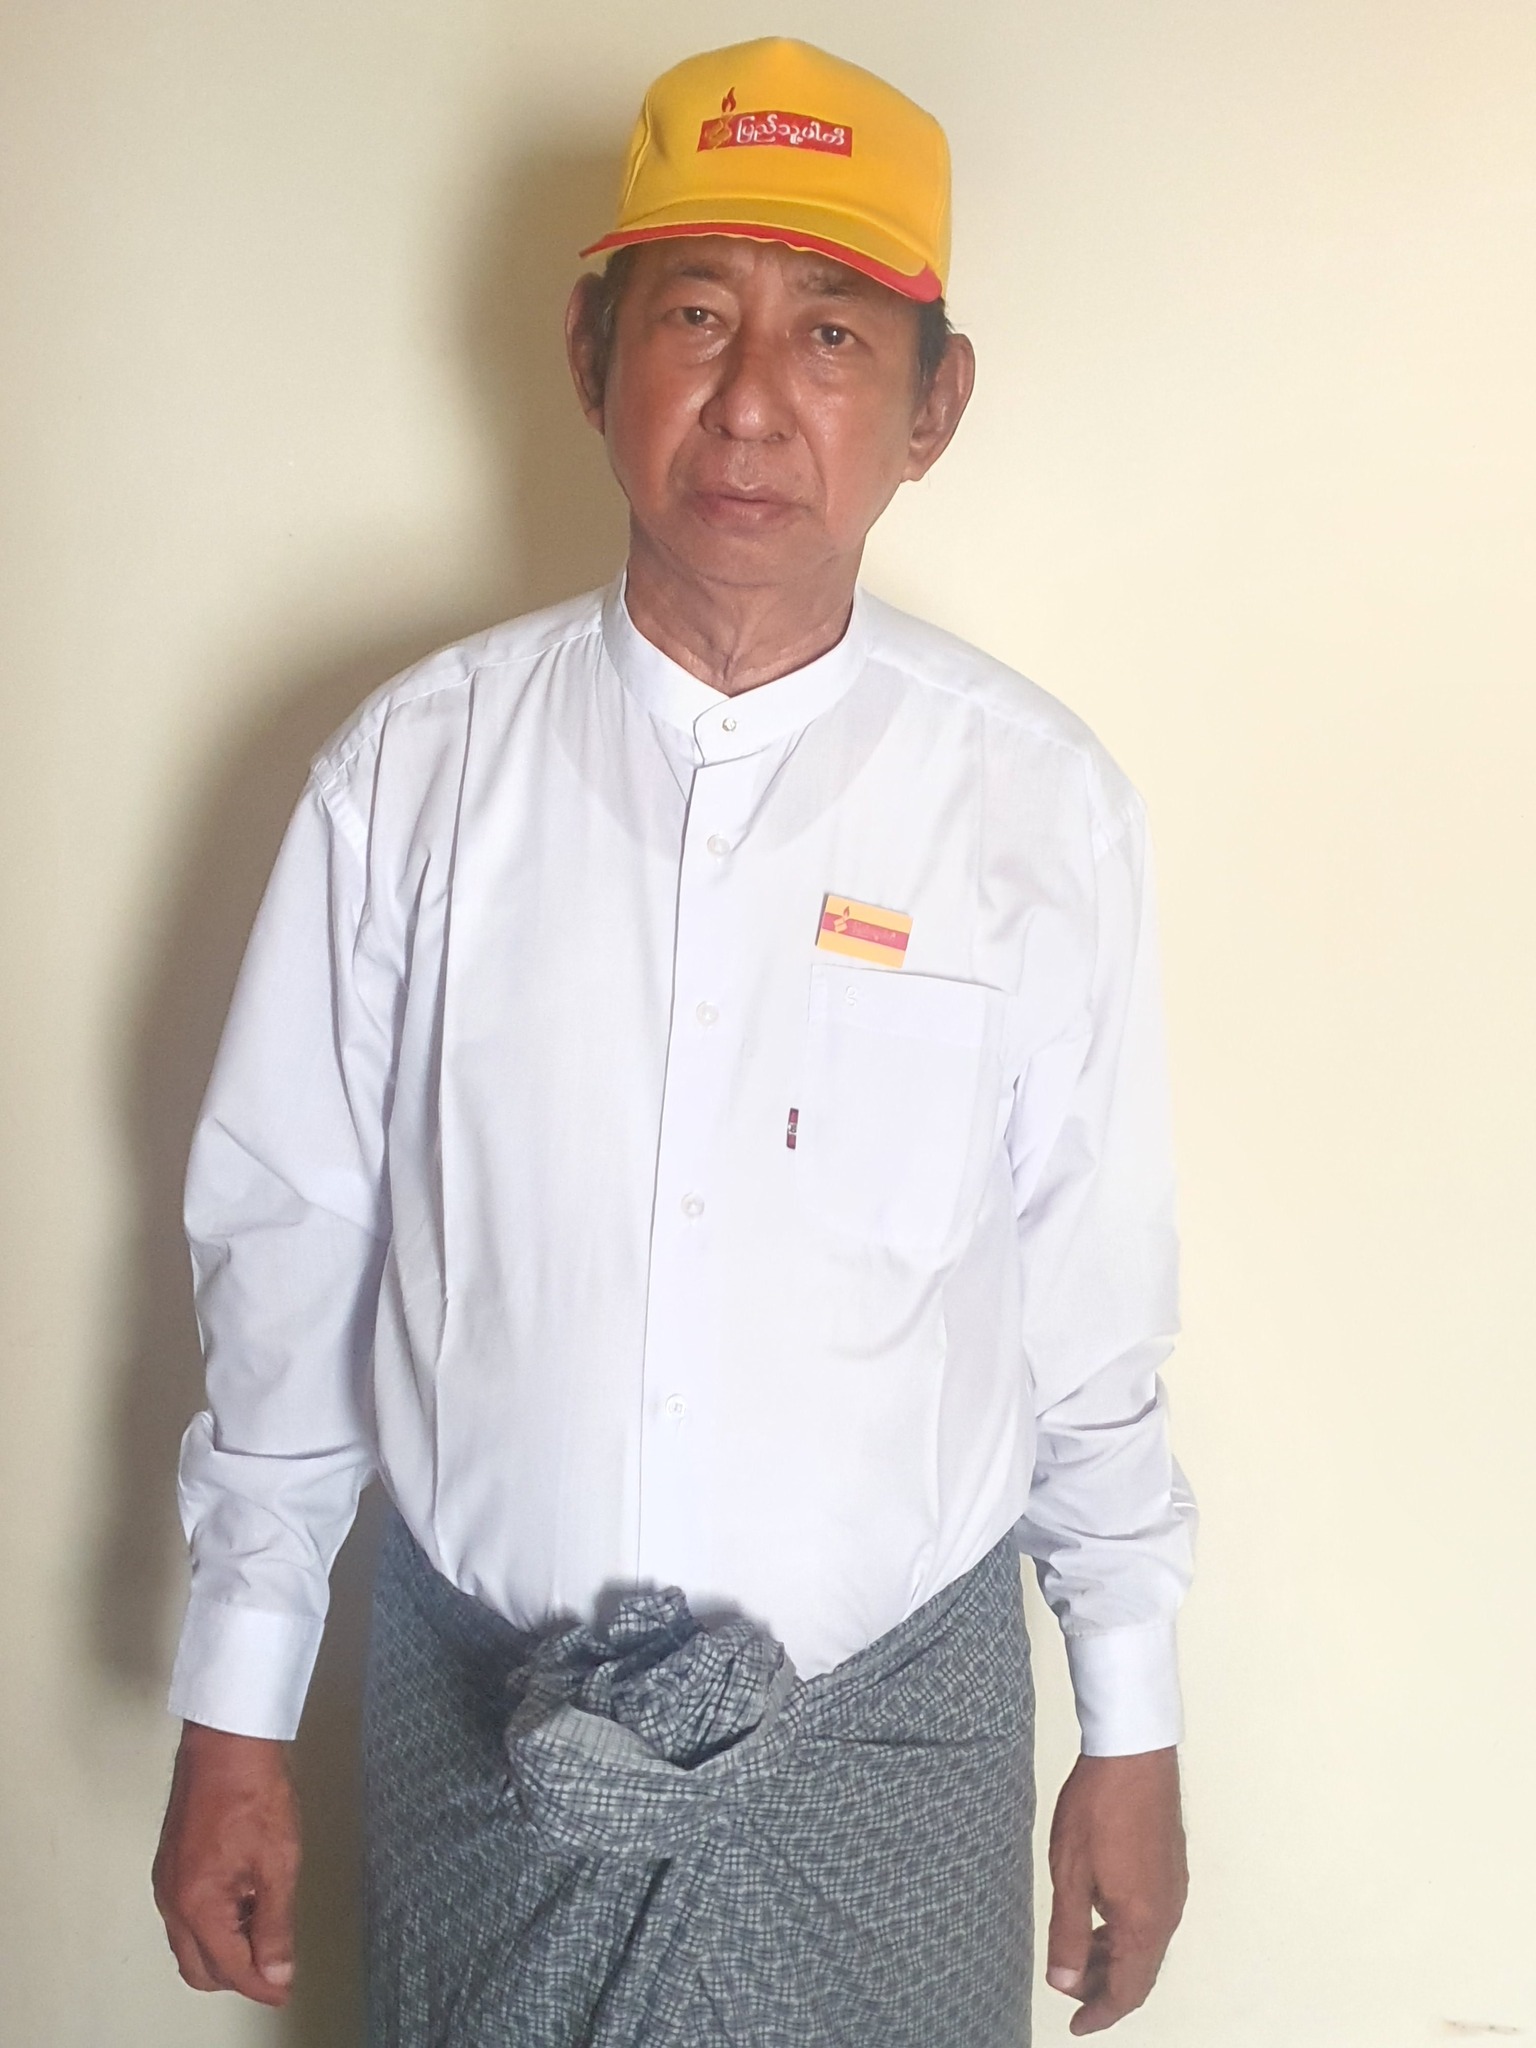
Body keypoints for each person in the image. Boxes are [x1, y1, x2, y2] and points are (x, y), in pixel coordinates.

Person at [152, 35, 1195, 2047]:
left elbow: (1089, 1293)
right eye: (696, 316)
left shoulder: (1035, 808)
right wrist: (235, 1701)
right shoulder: (412, 778)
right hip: (483, 1749)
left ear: (934, 404)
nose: (753, 400)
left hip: (891, 1755)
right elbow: (290, 1248)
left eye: (833, 334)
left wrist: (1131, 1718)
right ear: (590, 354)